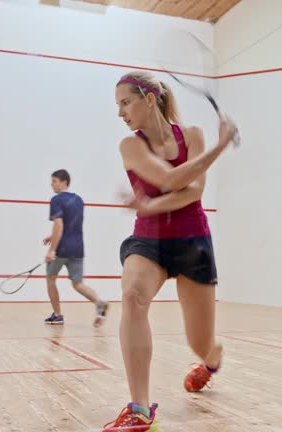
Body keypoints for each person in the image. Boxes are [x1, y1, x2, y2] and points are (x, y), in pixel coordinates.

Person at [102, 71, 238, 431]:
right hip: (148, 241)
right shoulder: (129, 146)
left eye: (125, 102)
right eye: (118, 105)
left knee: (201, 342)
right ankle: (140, 410)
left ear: (149, 99)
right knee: (132, 295)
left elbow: (193, 191)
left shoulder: (192, 136)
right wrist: (220, 148)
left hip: (192, 241)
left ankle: (210, 360)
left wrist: (149, 205)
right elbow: (168, 179)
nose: (120, 112)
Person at [43, 169, 109, 327]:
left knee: (51, 279)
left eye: (54, 181)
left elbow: (59, 224)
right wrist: (52, 236)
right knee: (78, 283)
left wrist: (52, 249)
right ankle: (99, 302)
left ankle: (57, 315)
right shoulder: (78, 200)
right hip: (78, 248)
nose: (52, 185)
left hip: (62, 249)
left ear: (64, 182)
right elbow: (71, 224)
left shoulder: (56, 200)